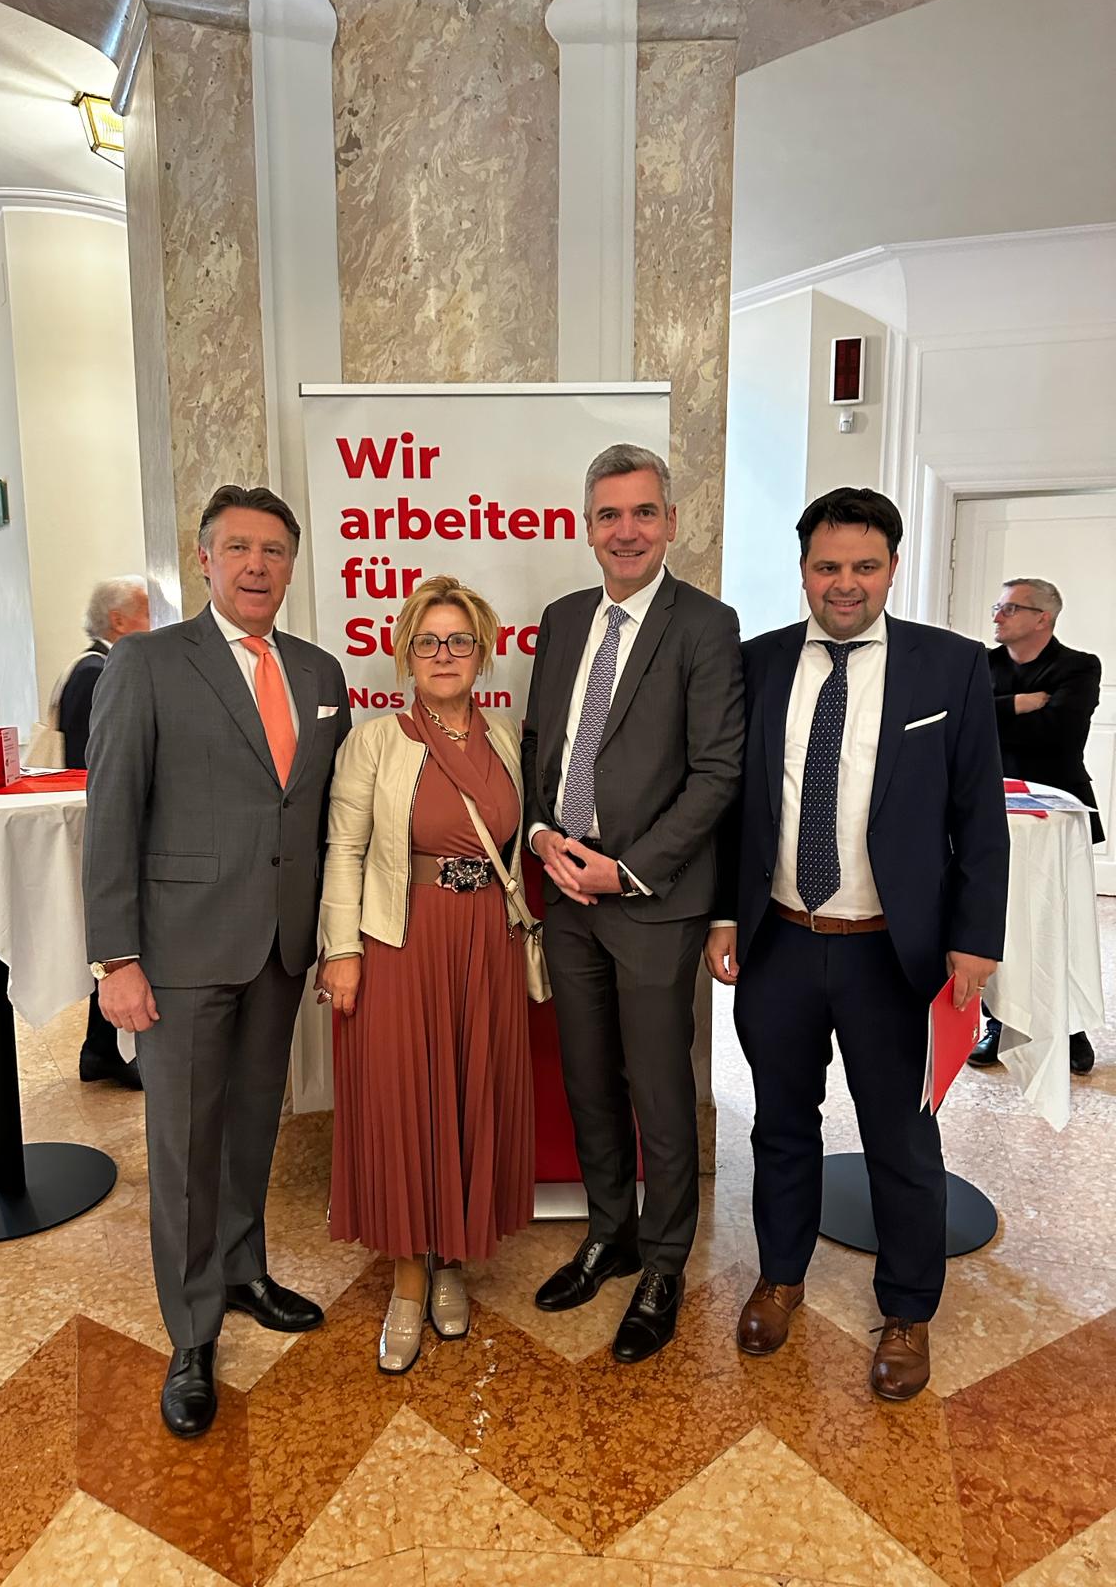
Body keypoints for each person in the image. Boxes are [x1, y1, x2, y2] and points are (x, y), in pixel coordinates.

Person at [707, 487, 1008, 1401]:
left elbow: (979, 815)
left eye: (865, 566)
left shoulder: (950, 666)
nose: (845, 584)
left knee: (900, 1140)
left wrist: (975, 940)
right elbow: (735, 806)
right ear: (803, 571)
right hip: (781, 944)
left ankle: (908, 1311)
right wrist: (724, 916)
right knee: (780, 1125)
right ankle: (780, 1278)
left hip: (894, 954)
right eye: (828, 566)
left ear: (892, 569)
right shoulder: (758, 662)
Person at [82, 484, 350, 1437]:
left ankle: (243, 1271)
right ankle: (192, 1333)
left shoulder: (320, 671)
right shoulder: (148, 663)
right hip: (181, 949)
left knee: (250, 1127)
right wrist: (115, 958)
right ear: (204, 560)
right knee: (185, 1147)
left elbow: (317, 815)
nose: (256, 566)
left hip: (279, 945)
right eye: (238, 548)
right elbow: (111, 814)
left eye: (273, 551)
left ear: (292, 565)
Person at [522, 443, 744, 1365]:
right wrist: (542, 835)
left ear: (671, 523)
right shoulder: (564, 618)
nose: (626, 531)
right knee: (588, 1077)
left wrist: (628, 870)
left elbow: (717, 772)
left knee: (659, 1088)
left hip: (651, 901)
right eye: (609, 514)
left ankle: (663, 1263)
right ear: (587, 525)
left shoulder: (706, 625)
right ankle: (609, 1234)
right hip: (566, 892)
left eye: (643, 512)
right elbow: (540, 743)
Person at [317, 576, 534, 1375]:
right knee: (406, 1102)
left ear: (483, 653)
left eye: (460, 641)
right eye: (429, 642)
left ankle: (454, 1262)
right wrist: (341, 950)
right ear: (406, 654)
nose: (445, 655)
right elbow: (343, 849)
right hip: (401, 942)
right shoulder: (375, 741)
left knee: (471, 1096)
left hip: (487, 944)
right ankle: (409, 1279)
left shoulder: (505, 737)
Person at [970, 577, 1103, 1074]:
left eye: (1009, 609)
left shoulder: (1079, 667)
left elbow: (1060, 733)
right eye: (997, 606)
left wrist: (995, 717)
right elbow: (963, 725)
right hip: (989, 812)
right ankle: (999, 1021)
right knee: (994, 920)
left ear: (1042, 618)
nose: (997, 616)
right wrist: (1018, 705)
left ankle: (1068, 1026)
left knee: (1054, 920)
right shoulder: (982, 665)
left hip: (1056, 816)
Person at [59, 576, 150, 1091]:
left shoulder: (87, 667)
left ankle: (100, 1049)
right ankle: (107, 1049)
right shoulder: (103, 671)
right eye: (146, 610)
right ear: (118, 620)